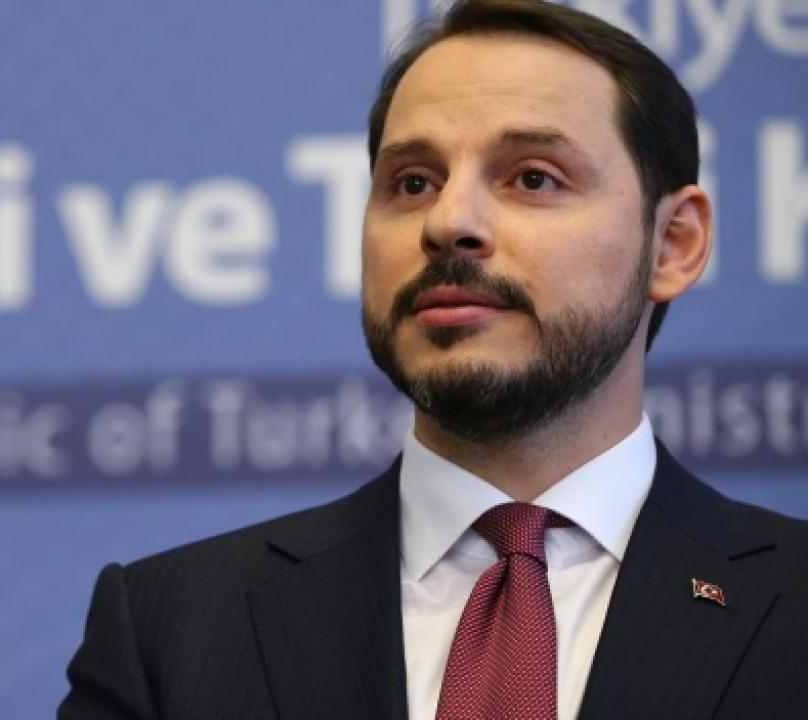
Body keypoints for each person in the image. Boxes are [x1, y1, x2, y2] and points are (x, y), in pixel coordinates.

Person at [58, 0, 808, 717]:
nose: (448, 222)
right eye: (412, 183)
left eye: (533, 177)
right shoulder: (169, 628)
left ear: (673, 244)